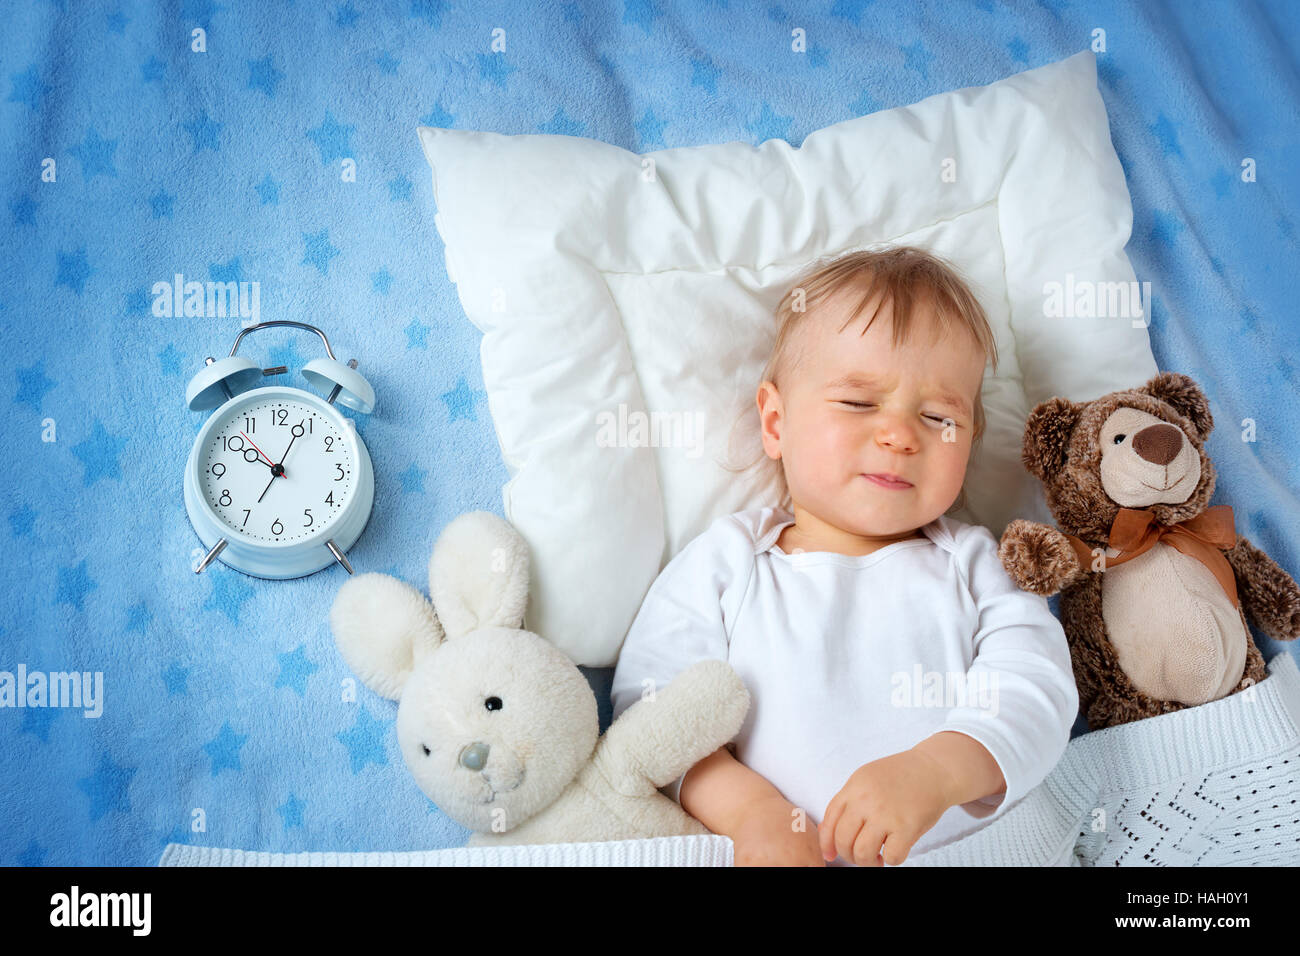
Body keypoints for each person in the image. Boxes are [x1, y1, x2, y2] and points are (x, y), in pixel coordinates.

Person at [609, 246, 1078, 866]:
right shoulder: (728, 563)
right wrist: (750, 811)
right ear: (775, 423)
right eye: (859, 403)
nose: (900, 434)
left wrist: (936, 772)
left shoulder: (975, 563)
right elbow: (652, 713)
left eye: (939, 417)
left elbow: (1038, 689)